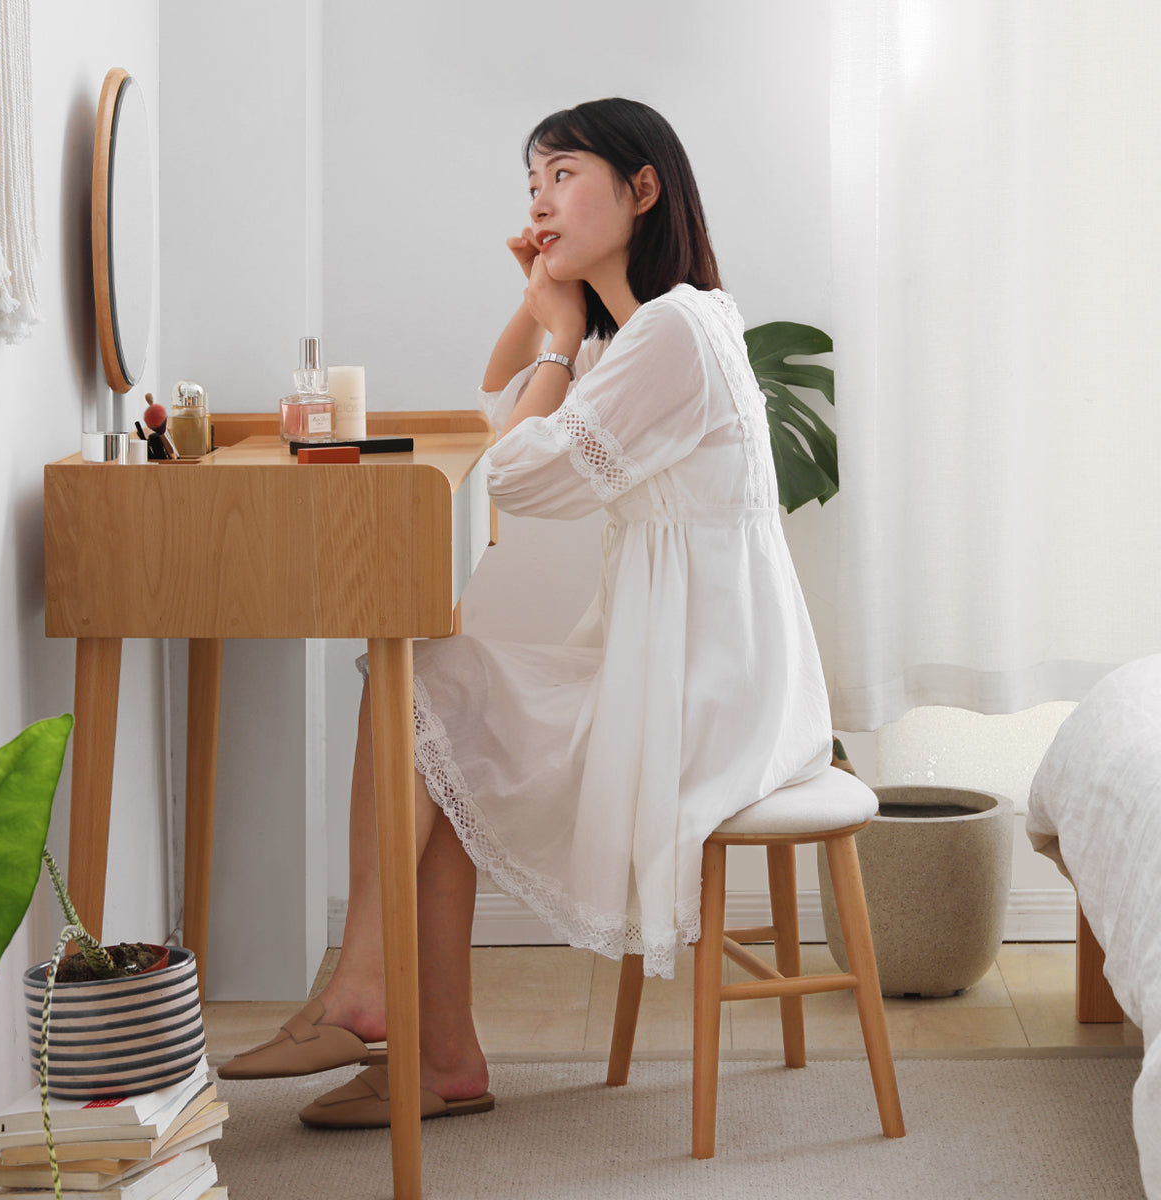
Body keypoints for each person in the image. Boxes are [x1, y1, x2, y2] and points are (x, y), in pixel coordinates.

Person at [219, 97, 832, 1127]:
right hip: (688, 666)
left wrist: (557, 330)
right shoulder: (648, 328)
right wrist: (546, 303)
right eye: (532, 183)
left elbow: (517, 473)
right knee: (446, 710)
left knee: (428, 680)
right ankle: (438, 1051)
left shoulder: (673, 332)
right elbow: (494, 396)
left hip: (703, 701)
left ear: (643, 190)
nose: (541, 202)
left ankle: (371, 995)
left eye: (564, 176)